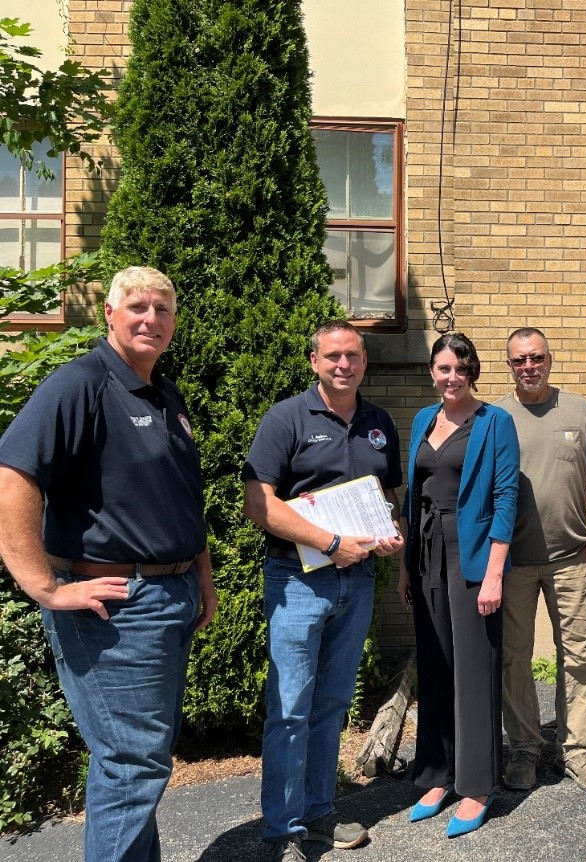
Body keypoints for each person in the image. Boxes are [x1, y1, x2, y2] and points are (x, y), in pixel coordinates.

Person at [0, 266, 216, 862]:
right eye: (138, 307)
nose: (151, 318)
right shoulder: (81, 383)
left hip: (168, 597)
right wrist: (43, 585)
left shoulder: (163, 394)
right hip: (116, 606)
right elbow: (13, 478)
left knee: (138, 763)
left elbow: (178, 494)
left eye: (163, 309)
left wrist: (200, 573)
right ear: (110, 315)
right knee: (132, 765)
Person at [243, 320, 405, 861]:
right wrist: (330, 542)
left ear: (364, 363)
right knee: (289, 707)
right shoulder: (286, 418)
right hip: (297, 581)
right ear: (314, 361)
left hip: (357, 581)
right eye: (332, 356)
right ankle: (282, 831)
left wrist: (390, 532)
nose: (343, 364)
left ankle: (317, 814)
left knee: (332, 703)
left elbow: (389, 497)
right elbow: (259, 503)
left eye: (353, 356)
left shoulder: (379, 422)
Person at [398, 332, 519, 838]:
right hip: (425, 552)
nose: (453, 377)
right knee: (436, 663)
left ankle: (476, 785)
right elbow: (414, 493)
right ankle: (438, 772)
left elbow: (506, 497)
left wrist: (493, 573)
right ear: (432, 370)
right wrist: (406, 564)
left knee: (473, 670)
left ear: (473, 372)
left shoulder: (495, 422)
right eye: (444, 368)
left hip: (470, 556)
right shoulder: (424, 419)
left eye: (462, 369)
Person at [497, 328, 586, 794]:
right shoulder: (496, 416)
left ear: (550, 359)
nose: (529, 366)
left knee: (578, 655)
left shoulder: (579, 410)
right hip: (515, 563)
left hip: (572, 557)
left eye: (537, 357)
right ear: (510, 365)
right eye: (520, 360)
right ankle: (524, 747)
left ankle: (578, 750)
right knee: (514, 657)